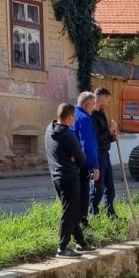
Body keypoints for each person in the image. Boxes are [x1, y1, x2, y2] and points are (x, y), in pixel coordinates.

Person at [44, 103, 95, 258]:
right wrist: (74, 158)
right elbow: (82, 158)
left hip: (56, 176)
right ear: (70, 117)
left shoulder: (49, 129)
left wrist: (72, 157)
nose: (74, 120)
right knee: (70, 212)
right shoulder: (68, 135)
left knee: (71, 210)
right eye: (73, 117)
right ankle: (62, 247)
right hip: (70, 177)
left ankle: (81, 242)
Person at [72, 91, 100, 229]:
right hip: (82, 163)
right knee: (84, 193)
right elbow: (87, 144)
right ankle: (83, 222)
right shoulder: (84, 118)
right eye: (93, 104)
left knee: (74, 195)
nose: (94, 108)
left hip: (71, 162)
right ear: (88, 105)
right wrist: (94, 166)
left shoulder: (71, 114)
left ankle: (75, 222)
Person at [90, 87, 118, 217]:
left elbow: (104, 136)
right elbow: (96, 139)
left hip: (105, 154)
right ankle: (93, 212)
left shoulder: (101, 113)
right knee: (98, 186)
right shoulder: (91, 116)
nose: (108, 103)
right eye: (107, 100)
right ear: (101, 98)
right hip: (97, 154)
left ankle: (110, 212)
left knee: (109, 185)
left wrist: (113, 136)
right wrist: (110, 129)